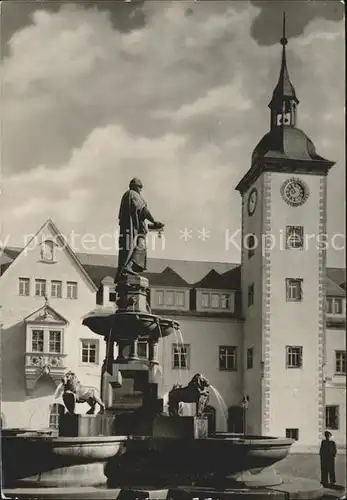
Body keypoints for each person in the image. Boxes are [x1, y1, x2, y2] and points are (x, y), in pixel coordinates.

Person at [116, 178, 163, 279]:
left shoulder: (126, 195)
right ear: (135, 186)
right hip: (133, 230)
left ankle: (127, 268)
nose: (141, 190)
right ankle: (128, 267)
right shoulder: (133, 194)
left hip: (128, 229)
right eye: (140, 188)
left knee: (130, 248)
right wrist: (154, 221)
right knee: (140, 245)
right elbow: (143, 210)